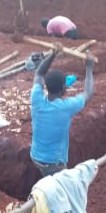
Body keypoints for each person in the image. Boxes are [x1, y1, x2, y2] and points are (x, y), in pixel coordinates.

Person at [30, 43, 94, 177]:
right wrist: (89, 67)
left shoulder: (36, 99)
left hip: (35, 157)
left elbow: (39, 73)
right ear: (64, 88)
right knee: (58, 189)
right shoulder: (66, 107)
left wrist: (53, 54)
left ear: (46, 86)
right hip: (54, 164)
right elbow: (88, 93)